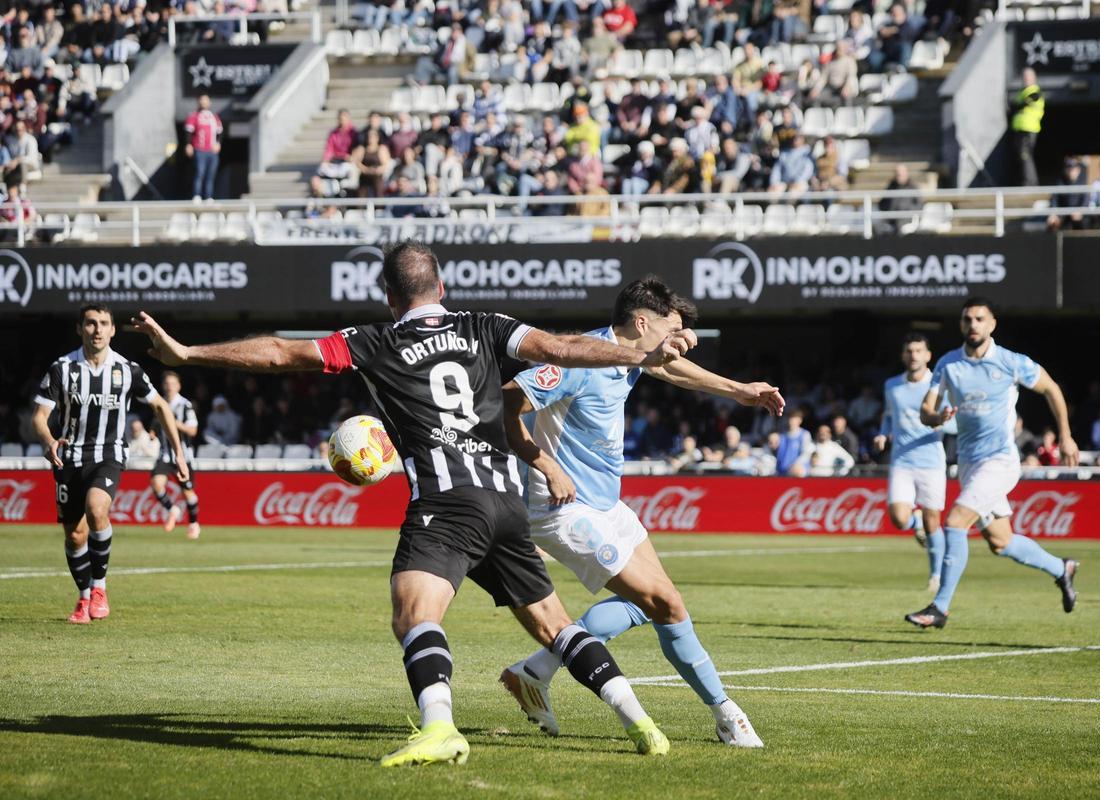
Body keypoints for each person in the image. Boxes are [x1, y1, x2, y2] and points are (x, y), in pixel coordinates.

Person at [131, 242, 698, 765]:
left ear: (388, 295)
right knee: (554, 624)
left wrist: (187, 353)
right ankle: (641, 723)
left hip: (447, 505)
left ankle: (438, 727)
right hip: (505, 501)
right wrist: (642, 356)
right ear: (442, 287)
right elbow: (565, 347)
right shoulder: (484, 325)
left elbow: (281, 353)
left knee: (413, 614)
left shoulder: (373, 341)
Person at [498, 276, 782, 748]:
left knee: (642, 604)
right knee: (666, 603)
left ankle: (532, 671)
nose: (674, 344)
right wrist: (545, 464)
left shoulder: (630, 355)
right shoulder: (580, 357)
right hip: (565, 508)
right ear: (641, 322)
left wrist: (739, 391)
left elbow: (671, 370)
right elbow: (508, 400)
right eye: (668, 331)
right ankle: (726, 713)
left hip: (606, 503)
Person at [906, 297, 1080, 630]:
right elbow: (926, 411)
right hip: (969, 464)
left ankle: (939, 608)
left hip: (1000, 462)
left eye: (979, 319)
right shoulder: (948, 364)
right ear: (961, 325)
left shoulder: (1011, 362)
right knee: (1001, 542)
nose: (973, 325)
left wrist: (1066, 436)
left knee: (955, 522)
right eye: (967, 319)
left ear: (992, 324)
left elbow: (1051, 389)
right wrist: (936, 416)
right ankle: (1062, 569)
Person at [32, 305, 188, 625]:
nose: (98, 330)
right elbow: (39, 416)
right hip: (68, 456)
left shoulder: (127, 370)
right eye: (91, 324)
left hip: (108, 455)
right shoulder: (62, 369)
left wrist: (179, 453)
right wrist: (48, 441)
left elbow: (160, 406)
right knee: (75, 536)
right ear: (80, 329)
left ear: (113, 330)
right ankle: (84, 596)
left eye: (104, 324)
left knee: (96, 509)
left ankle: (100, 589)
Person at [874, 333, 954, 593]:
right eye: (909, 350)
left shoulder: (939, 385)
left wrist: (943, 418)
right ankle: (914, 522)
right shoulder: (892, 385)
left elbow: (953, 421)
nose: (914, 355)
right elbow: (888, 416)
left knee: (934, 521)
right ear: (903, 355)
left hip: (931, 461)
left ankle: (936, 576)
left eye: (919, 350)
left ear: (928, 355)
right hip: (901, 460)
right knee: (898, 518)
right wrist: (883, 433)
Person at [149, 371, 202, 540]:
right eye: (167, 383)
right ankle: (172, 509)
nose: (169, 386)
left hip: (183, 456)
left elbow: (193, 430)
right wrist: (153, 432)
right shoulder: (159, 403)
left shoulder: (185, 405)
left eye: (173, 383)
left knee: (188, 492)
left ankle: (194, 523)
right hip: (165, 454)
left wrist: (174, 423)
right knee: (156, 484)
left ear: (178, 386)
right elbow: (156, 424)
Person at [184, 94, 222, 202]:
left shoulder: (214, 117)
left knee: (210, 175)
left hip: (212, 151)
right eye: (202, 100)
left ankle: (209, 197)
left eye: (206, 100)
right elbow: (188, 132)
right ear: (198, 102)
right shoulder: (194, 116)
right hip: (199, 150)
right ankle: (197, 195)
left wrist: (218, 143)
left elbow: (219, 131)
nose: (203, 102)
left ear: (209, 102)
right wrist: (188, 144)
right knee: (199, 173)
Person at [1011, 68, 1043, 187]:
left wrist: (1017, 105)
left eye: (1028, 77)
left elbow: (1030, 100)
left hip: (1028, 129)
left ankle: (1030, 183)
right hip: (1021, 129)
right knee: (1022, 156)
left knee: (1025, 156)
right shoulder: (1024, 92)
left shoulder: (1034, 91)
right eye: (1024, 77)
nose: (1025, 80)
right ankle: (1027, 181)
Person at [1046, 158, 1087, 232]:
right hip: (1063, 213)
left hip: (1078, 213)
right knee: (1052, 223)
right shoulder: (1060, 182)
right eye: (1069, 169)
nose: (1071, 172)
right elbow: (1054, 199)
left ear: (1078, 170)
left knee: (1080, 223)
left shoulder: (1082, 182)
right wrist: (1053, 213)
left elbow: (1086, 200)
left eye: (1073, 169)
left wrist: (1080, 211)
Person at [774, 409, 813, 476]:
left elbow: (806, 454)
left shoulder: (804, 434)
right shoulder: (781, 435)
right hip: (782, 470)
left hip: (797, 471)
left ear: (800, 420)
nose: (791, 421)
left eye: (794, 419)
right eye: (789, 418)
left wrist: (796, 464)